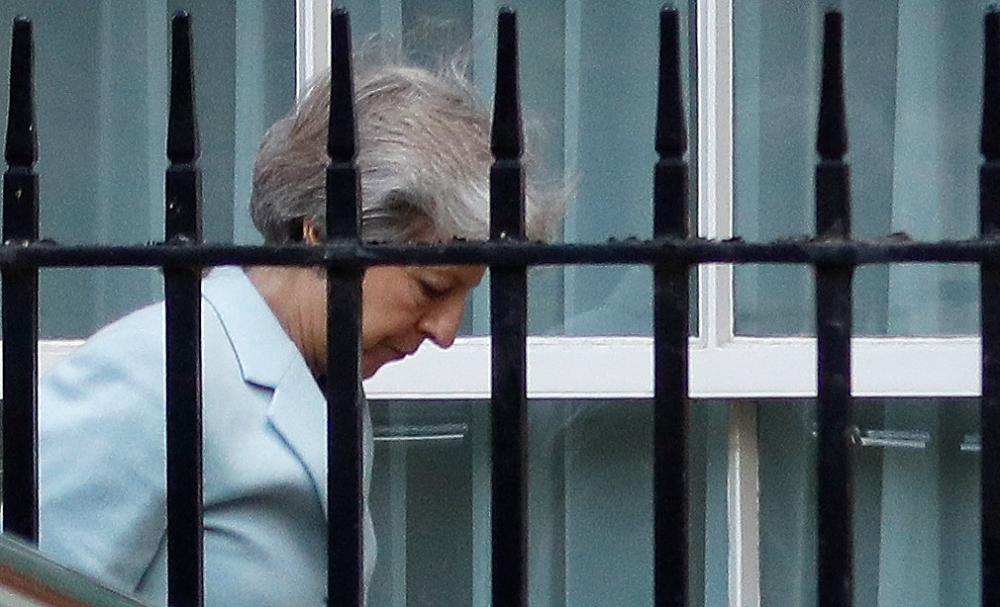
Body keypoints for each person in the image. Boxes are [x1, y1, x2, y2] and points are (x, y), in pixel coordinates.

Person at [38, 51, 564, 606]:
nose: (446, 330)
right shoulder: (157, 369)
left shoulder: (327, 383)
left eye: (464, 293)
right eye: (431, 286)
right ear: (321, 231)